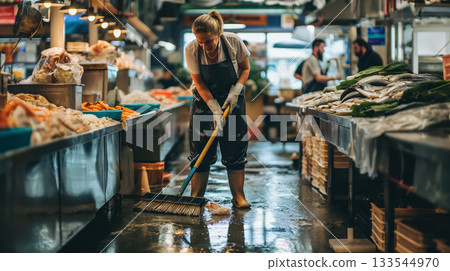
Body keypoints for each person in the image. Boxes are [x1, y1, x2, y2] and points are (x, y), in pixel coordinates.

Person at [184, 10, 251, 208]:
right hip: (203, 104)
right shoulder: (191, 49)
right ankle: (196, 197)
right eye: (201, 42)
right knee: (200, 151)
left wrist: (235, 92)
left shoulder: (233, 42)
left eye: (209, 41)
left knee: (235, 148)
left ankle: (238, 197)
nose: (205, 47)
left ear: (219, 33)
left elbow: (245, 69)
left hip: (232, 100)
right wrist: (213, 107)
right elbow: (199, 83)